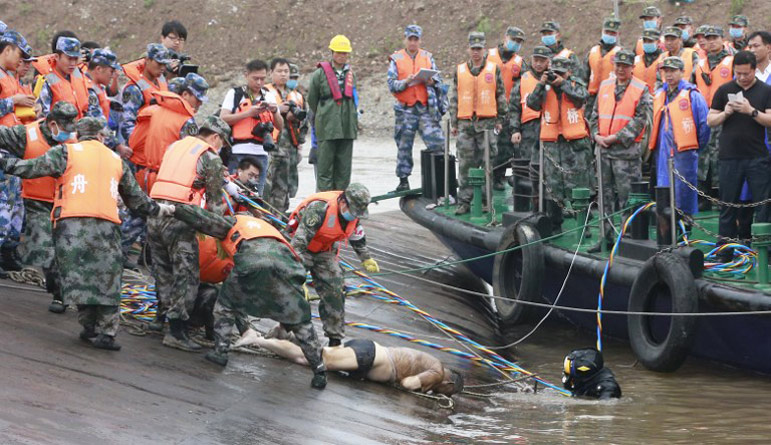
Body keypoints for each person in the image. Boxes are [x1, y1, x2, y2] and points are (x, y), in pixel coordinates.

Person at [0, 117, 171, 350]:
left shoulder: (66, 152)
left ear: (78, 135)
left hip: (72, 225)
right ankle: (107, 333)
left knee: (78, 276)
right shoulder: (116, 159)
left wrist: (5, 162)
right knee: (108, 279)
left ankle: (88, 326)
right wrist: (160, 209)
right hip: (107, 226)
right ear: (101, 136)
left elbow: (31, 168)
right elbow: (137, 200)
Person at [171, 204, 328, 389]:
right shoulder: (272, 231)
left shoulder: (235, 223)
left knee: (225, 306)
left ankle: (220, 352)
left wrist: (176, 209)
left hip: (252, 263)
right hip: (287, 269)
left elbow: (204, 218)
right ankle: (319, 371)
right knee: (301, 321)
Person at [147, 115, 228, 351]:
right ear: (215, 137)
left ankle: (160, 319)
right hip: (179, 218)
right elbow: (214, 204)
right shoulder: (210, 156)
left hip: (154, 213)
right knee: (186, 273)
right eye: (222, 143)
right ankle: (177, 331)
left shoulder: (176, 146)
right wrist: (221, 228)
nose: (221, 148)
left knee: (162, 269)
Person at [0, 102, 77, 313]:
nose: (68, 133)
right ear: (52, 124)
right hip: (37, 202)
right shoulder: (25, 134)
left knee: (67, 250)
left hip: (66, 202)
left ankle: (64, 294)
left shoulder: (77, 140)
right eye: (64, 128)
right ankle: (59, 293)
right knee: (46, 249)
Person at [235, 329, 464, 397]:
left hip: (369, 354)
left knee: (314, 355)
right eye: (447, 393)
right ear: (449, 384)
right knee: (308, 359)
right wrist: (429, 393)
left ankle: (286, 336)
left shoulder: (434, 364)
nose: (443, 395)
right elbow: (408, 384)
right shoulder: (437, 372)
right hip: (371, 357)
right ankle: (257, 339)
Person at [287, 183, 378, 347]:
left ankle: (334, 339)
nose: (355, 216)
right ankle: (286, 328)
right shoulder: (319, 209)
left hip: (325, 251)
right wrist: (298, 278)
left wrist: (366, 258)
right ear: (344, 203)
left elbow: (357, 236)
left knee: (335, 288)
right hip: (301, 249)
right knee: (293, 291)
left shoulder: (354, 216)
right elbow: (297, 246)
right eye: (353, 211)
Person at [707, 51, 771, 258]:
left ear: (754, 70)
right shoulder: (725, 89)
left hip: (757, 156)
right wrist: (726, 112)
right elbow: (710, 120)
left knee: (763, 205)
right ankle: (724, 250)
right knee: (727, 204)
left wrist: (750, 111)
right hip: (729, 156)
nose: (742, 78)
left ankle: (765, 249)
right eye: (738, 73)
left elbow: (769, 120)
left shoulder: (765, 90)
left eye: (746, 73)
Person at [590, 50, 652, 250]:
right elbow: (594, 114)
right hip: (603, 151)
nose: (620, 69)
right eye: (618, 65)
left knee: (628, 197)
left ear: (632, 68)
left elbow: (641, 119)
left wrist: (616, 137)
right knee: (604, 196)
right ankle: (605, 237)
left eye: (625, 66)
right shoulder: (605, 86)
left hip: (625, 153)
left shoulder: (641, 89)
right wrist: (596, 135)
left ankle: (628, 239)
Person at [526, 56, 593, 231]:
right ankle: (555, 224)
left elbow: (582, 96)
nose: (556, 76)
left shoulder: (574, 84)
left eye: (561, 73)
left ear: (568, 72)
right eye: (554, 73)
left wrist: (562, 83)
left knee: (578, 185)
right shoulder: (544, 87)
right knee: (553, 187)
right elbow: (531, 104)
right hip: (552, 145)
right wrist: (541, 84)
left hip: (574, 144)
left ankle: (582, 225)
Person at [450, 32, 506, 215]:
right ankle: (464, 201)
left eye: (479, 49)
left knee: (487, 163)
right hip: (466, 123)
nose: (476, 52)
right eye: (473, 48)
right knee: (465, 163)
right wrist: (454, 122)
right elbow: (454, 98)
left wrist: (500, 119)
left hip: (487, 123)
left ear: (484, 49)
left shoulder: (493, 69)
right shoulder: (459, 70)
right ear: (468, 49)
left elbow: (500, 95)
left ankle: (484, 200)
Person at [649, 56, 710, 220]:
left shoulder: (692, 95)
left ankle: (685, 233)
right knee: (664, 194)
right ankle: (666, 235)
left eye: (673, 71)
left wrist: (694, 148)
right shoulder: (659, 95)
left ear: (682, 72)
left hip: (684, 155)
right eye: (666, 71)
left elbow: (704, 126)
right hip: (662, 155)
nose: (669, 75)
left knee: (684, 196)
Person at [387, 24, 445, 192]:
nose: (413, 42)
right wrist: (405, 82)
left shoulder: (427, 57)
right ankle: (403, 180)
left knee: (438, 142)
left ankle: (439, 179)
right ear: (405, 40)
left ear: (420, 40)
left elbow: (438, 79)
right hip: (405, 110)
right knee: (404, 145)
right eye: (410, 39)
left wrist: (431, 81)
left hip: (425, 108)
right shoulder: (396, 59)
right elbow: (391, 85)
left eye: (416, 39)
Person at [129, 72, 207, 192]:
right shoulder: (185, 120)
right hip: (168, 180)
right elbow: (191, 157)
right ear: (185, 94)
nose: (200, 103)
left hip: (146, 175)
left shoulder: (156, 111)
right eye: (197, 99)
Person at [0, 31, 35, 277]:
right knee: (3, 205)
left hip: (13, 149)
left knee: (13, 205)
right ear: (8, 49)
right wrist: (14, 101)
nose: (21, 60)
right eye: (19, 54)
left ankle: (7, 251)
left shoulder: (10, 78)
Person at [220, 58, 282, 196]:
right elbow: (223, 118)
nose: (259, 82)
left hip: (262, 153)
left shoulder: (269, 96)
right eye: (255, 78)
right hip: (238, 152)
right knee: (234, 194)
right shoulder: (235, 94)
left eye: (262, 78)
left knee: (255, 196)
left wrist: (275, 111)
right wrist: (248, 113)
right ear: (246, 75)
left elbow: (280, 126)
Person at [307, 34, 358, 192]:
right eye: (339, 52)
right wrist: (324, 116)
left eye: (345, 53)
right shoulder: (319, 74)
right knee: (325, 170)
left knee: (344, 171)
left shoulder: (351, 74)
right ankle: (325, 203)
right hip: (327, 128)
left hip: (347, 129)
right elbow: (312, 99)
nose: (342, 56)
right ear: (332, 52)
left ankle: (341, 203)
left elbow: (354, 99)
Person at [695, 26, 734, 208]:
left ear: (722, 39)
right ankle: (704, 195)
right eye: (707, 38)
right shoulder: (700, 63)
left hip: (725, 115)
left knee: (721, 153)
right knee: (703, 155)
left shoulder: (731, 61)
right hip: (703, 115)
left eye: (714, 38)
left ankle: (721, 195)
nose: (711, 41)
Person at [265, 57, 307, 212]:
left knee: (284, 189)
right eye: (279, 71)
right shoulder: (265, 92)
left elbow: (305, 122)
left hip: (289, 151)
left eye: (286, 71)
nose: (283, 75)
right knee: (265, 187)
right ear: (271, 73)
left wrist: (294, 118)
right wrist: (277, 109)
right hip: (270, 148)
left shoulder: (297, 96)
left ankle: (279, 221)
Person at [487, 26, 526, 190]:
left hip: (508, 110)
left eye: (519, 42)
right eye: (513, 40)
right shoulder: (488, 56)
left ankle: (498, 176)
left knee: (504, 147)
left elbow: (525, 84)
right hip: (488, 108)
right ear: (505, 38)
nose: (515, 44)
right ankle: (483, 178)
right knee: (486, 145)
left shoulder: (520, 63)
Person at [508, 46, 551, 171]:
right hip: (529, 129)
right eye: (536, 60)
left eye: (542, 61)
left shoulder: (555, 80)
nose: (538, 64)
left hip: (550, 127)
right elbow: (514, 108)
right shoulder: (522, 80)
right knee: (529, 163)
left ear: (548, 61)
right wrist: (515, 130)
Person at [36, 36, 89, 118]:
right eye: (69, 58)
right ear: (57, 57)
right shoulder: (46, 81)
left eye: (75, 59)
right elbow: (44, 118)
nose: (73, 63)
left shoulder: (78, 74)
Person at [584, 18, 621, 114]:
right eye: (607, 32)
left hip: (612, 97)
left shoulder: (620, 54)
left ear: (617, 34)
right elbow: (584, 77)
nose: (609, 35)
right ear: (602, 31)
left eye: (612, 33)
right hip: (591, 99)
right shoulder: (592, 52)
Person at [287, 63, 308, 200]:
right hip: (278, 145)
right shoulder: (273, 94)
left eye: (295, 77)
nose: (293, 80)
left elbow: (305, 120)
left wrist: (301, 142)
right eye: (291, 77)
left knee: (292, 183)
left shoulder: (299, 96)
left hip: (294, 144)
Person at [633, 29, 665, 94]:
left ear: (658, 42)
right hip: (637, 99)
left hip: (656, 99)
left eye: (650, 41)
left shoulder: (664, 60)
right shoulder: (636, 60)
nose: (647, 43)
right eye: (645, 41)